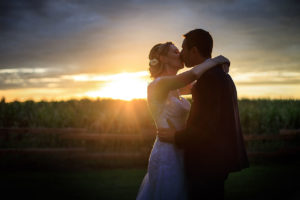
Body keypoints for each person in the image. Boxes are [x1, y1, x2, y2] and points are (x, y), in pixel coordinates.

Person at [157, 29, 249, 200]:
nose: (182, 54)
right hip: (215, 160)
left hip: (206, 161)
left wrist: (176, 136)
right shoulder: (220, 76)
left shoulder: (210, 80)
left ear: (194, 50)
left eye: (183, 49)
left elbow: (207, 126)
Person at [136, 40, 230, 200]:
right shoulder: (157, 85)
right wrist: (216, 60)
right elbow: (193, 74)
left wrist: (218, 72)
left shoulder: (176, 88)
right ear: (163, 59)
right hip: (167, 154)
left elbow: (202, 83)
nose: (180, 54)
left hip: (182, 149)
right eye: (175, 52)